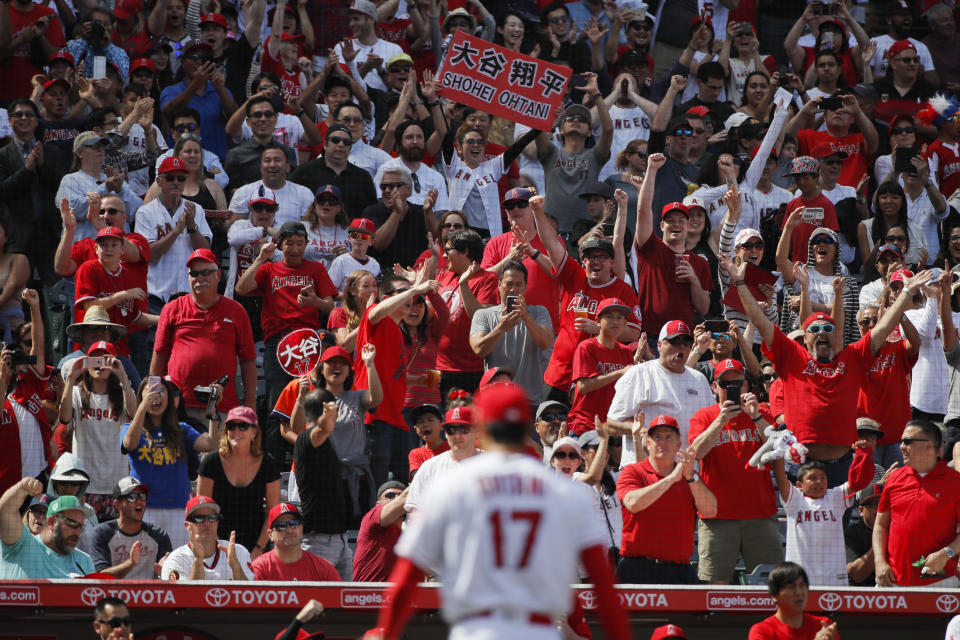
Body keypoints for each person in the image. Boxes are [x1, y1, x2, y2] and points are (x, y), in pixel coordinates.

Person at [362, 383, 630, 640]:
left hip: (477, 628)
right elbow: (603, 587)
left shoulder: (452, 485)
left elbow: (407, 574)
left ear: (484, 429)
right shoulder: (565, 490)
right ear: (525, 429)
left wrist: (386, 631)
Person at [721, 250, 930, 487]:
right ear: (805, 337)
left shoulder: (852, 358)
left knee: (836, 524)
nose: (822, 332)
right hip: (802, 463)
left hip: (842, 465)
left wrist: (906, 292)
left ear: (837, 337)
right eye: (815, 329)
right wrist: (739, 282)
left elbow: (884, 326)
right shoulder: (792, 357)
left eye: (828, 330)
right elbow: (759, 319)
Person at [234, 221, 337, 457]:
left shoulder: (316, 269)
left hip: (309, 341)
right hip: (278, 342)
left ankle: (311, 451)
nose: (294, 248)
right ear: (280, 245)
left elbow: (330, 305)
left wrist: (315, 303)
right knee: (277, 398)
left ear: (306, 245)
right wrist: (261, 258)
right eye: (289, 243)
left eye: (300, 243)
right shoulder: (270, 269)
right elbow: (241, 288)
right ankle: (275, 459)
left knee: (312, 396)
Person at [688, 359, 783, 584]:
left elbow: (778, 448)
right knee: (715, 586)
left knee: (771, 585)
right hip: (718, 517)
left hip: (759, 514)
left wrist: (756, 417)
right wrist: (721, 420)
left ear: (747, 386)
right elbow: (696, 453)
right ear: (715, 387)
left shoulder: (761, 411)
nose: (732, 389)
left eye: (738, 383)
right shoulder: (704, 416)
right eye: (725, 384)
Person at [151, 248, 256, 422]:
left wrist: (250, 403)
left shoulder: (236, 311)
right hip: (177, 405)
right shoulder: (172, 309)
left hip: (221, 406)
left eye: (206, 272)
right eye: (194, 274)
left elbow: (248, 360)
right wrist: (154, 399)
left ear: (218, 275)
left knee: (217, 450)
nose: (199, 278)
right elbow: (159, 356)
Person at [354, 273, 437, 485]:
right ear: (387, 297)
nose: (411, 299)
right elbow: (375, 313)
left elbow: (392, 373)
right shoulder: (376, 315)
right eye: (403, 292)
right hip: (375, 418)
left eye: (413, 295)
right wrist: (416, 288)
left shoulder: (398, 331)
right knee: (376, 486)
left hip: (396, 418)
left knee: (406, 484)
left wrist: (415, 380)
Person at [616, 414, 718, 584]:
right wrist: (671, 479)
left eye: (668, 437)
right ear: (648, 443)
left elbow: (710, 510)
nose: (662, 442)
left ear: (679, 444)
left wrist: (690, 478)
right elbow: (633, 503)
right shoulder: (633, 472)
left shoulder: (690, 477)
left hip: (678, 570)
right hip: (637, 567)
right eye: (657, 437)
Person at [121, 377, 220, 548]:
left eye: (161, 392)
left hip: (178, 508)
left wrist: (213, 410)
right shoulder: (130, 428)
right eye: (151, 392)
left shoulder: (181, 429)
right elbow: (129, 444)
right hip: (145, 507)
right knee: (147, 563)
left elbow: (210, 444)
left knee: (176, 565)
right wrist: (142, 408)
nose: (156, 397)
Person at [607, 320, 715, 468]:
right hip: (643, 466)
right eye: (674, 342)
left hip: (684, 470)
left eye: (686, 343)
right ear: (659, 346)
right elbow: (612, 423)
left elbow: (711, 421)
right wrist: (642, 431)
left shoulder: (699, 379)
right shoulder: (639, 373)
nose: (681, 347)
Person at [634, 154, 714, 340]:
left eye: (681, 221)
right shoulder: (650, 247)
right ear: (661, 226)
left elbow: (703, 308)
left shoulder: (699, 263)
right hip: (650, 336)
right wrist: (652, 170)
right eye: (670, 221)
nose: (676, 224)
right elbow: (643, 210)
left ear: (687, 226)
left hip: (683, 338)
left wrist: (693, 279)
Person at [774, 441, 874, 586]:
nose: (819, 482)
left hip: (832, 576)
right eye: (812, 478)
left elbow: (859, 482)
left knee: (834, 609)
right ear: (799, 485)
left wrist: (863, 454)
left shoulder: (834, 497)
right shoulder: (794, 499)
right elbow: (780, 476)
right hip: (799, 575)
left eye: (823, 478)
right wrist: (778, 449)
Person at [874, 418, 960, 588]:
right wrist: (879, 562)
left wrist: (946, 553)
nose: (901, 447)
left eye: (907, 441)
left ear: (928, 445)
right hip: (891, 581)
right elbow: (880, 525)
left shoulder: (956, 483)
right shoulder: (894, 479)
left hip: (939, 582)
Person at [58, 341, 137, 519]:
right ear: (87, 362)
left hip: (116, 485)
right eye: (95, 359)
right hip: (85, 484)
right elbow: (64, 417)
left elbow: (135, 414)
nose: (100, 364)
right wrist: (71, 378)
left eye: (106, 359)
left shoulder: (124, 393)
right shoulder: (77, 393)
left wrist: (123, 377)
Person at [197, 406, 280, 558]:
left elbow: (272, 512)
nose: (236, 431)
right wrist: (215, 546)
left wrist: (258, 550)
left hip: (256, 546)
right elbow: (203, 509)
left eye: (242, 426)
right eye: (231, 426)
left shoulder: (268, 464)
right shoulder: (210, 462)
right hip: (215, 545)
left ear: (254, 432)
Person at [469, 261, 553, 408]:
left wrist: (526, 317)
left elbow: (545, 343)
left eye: (518, 284)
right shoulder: (483, 315)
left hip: (530, 401)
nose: (513, 289)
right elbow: (478, 349)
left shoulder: (539, 312)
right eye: (508, 284)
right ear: (499, 285)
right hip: (496, 400)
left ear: (525, 287)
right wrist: (501, 328)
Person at [535, 77, 614, 234]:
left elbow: (608, 129)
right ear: (561, 129)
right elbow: (537, 129)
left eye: (582, 120)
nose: (576, 120)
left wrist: (596, 95)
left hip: (585, 232)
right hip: (552, 232)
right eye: (570, 118)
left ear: (590, 131)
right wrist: (554, 121)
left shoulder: (595, 156)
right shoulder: (550, 153)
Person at [134, 156, 213, 309]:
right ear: (158, 181)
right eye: (170, 178)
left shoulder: (195, 209)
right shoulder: (145, 212)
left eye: (181, 178)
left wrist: (191, 227)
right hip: (157, 297)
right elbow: (149, 254)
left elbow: (205, 252)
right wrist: (176, 232)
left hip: (191, 296)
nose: (176, 182)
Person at [0, 98, 63, 283]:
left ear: (36, 121)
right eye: (18, 114)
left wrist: (42, 166)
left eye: (29, 114)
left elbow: (61, 186)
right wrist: (26, 171)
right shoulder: (2, 155)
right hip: (18, 234)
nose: (24, 118)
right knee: (19, 292)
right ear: (10, 121)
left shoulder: (52, 151)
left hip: (50, 232)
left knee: (55, 294)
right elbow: (3, 191)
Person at [435, 230, 499, 399]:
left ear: (466, 252)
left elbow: (481, 318)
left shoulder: (487, 279)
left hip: (470, 370)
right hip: (438, 368)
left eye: (448, 250)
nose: (444, 255)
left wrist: (464, 286)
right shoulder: (443, 276)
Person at [566, 298, 635, 437]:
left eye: (619, 317)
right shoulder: (587, 347)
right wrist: (620, 372)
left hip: (613, 429)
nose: (615, 322)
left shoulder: (625, 351)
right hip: (586, 427)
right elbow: (584, 386)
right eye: (609, 317)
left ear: (625, 323)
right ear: (598, 321)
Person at [159, 40, 237, 161]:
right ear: (183, 62)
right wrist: (196, 84)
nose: (200, 61)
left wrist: (220, 88)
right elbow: (168, 111)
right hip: (180, 163)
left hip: (215, 163)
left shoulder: (220, 90)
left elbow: (235, 119)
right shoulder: (171, 91)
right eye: (194, 57)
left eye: (205, 58)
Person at [0, 479, 95, 578]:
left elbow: (92, 592)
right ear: (51, 522)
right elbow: (5, 511)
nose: (77, 532)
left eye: (81, 526)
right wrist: (21, 488)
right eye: (71, 523)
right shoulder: (22, 543)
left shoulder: (84, 560)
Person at [88, 476, 172, 579]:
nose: (139, 501)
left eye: (142, 496)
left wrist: (166, 568)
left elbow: (170, 574)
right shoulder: (102, 533)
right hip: (113, 594)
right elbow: (99, 577)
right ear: (117, 505)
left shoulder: (158, 535)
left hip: (148, 594)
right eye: (132, 497)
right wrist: (130, 563)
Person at [403, 406, 482, 516]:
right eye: (451, 430)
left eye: (464, 429)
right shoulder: (428, 467)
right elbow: (415, 512)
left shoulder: (495, 465)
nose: (457, 436)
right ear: (445, 433)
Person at [290, 124, 378, 219]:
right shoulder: (305, 171)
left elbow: (371, 210)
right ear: (325, 144)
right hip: (312, 230)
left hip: (351, 232)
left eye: (346, 142)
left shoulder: (362, 176)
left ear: (350, 148)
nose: (341, 144)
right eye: (335, 140)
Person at [160, 495, 253, 580]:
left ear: (217, 523)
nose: (207, 523)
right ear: (187, 525)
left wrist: (235, 566)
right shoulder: (176, 559)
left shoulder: (238, 552)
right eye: (199, 518)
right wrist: (198, 560)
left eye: (212, 518)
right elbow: (186, 596)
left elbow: (249, 595)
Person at [366, 168, 440, 270]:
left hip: (416, 274)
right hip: (384, 277)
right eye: (383, 187)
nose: (387, 190)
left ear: (408, 189)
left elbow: (439, 240)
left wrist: (428, 212)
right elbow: (378, 244)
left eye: (392, 186)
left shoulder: (420, 212)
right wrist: (397, 212)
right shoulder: (373, 211)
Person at [748, 561, 839, 640]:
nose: (799, 592)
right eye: (791, 587)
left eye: (802, 585)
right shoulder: (761, 631)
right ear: (774, 595)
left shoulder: (823, 626)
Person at [251, 502, 340, 581]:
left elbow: (337, 598)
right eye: (281, 526)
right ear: (270, 534)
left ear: (301, 529)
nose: (289, 530)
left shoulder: (324, 568)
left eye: (294, 524)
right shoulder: (260, 567)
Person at [228, 144, 312, 226]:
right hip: (254, 239)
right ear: (260, 167)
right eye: (267, 160)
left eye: (277, 160)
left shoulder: (304, 193)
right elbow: (233, 231)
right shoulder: (243, 192)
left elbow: (308, 231)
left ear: (288, 167)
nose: (272, 165)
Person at [353, 481, 408, 582]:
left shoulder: (410, 534)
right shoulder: (370, 519)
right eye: (390, 496)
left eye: (399, 496)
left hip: (396, 595)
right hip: (368, 595)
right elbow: (403, 500)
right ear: (377, 504)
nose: (396, 499)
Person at [845, 482, 883, 587]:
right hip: (861, 596)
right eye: (874, 505)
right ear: (861, 510)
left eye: (883, 503)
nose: (879, 509)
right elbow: (857, 575)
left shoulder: (897, 529)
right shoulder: (852, 533)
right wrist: (882, 540)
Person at [328, 218, 381, 289]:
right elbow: (328, 291)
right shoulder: (340, 261)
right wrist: (351, 295)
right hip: (344, 300)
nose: (359, 238)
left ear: (372, 242)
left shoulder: (375, 264)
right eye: (354, 235)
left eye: (364, 236)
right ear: (349, 238)